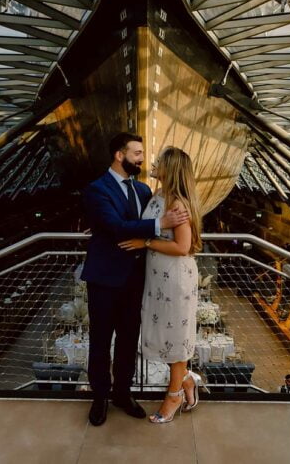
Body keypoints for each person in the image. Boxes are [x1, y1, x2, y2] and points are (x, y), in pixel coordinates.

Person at [81, 132, 189, 427]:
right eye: (138, 153)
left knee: (129, 340)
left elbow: (155, 234)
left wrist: (157, 232)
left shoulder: (143, 190)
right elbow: (116, 226)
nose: (143, 158)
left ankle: (122, 393)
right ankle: (100, 397)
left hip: (135, 279)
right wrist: (159, 223)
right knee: (101, 341)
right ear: (120, 155)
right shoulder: (97, 189)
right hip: (104, 278)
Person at [120, 146, 206, 424]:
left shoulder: (177, 203)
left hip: (175, 281)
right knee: (166, 334)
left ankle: (174, 396)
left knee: (176, 338)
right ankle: (188, 379)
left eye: (160, 161)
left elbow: (183, 246)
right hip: (159, 280)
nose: (154, 163)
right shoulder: (157, 195)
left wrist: (144, 242)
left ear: (171, 169)